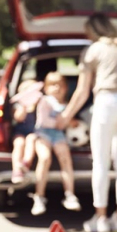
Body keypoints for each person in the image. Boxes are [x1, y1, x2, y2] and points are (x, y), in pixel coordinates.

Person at [56, 13, 117, 232]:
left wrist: (66, 115)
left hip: (107, 102)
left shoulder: (93, 50)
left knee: (101, 163)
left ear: (93, 30)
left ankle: (101, 218)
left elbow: (83, 91)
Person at [29, 71, 82, 216]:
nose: (57, 88)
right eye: (53, 85)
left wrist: (71, 122)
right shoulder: (45, 101)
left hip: (58, 135)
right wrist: (61, 122)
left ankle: (70, 195)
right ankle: (39, 196)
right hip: (42, 134)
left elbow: (69, 122)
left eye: (60, 85)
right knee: (45, 158)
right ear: (46, 88)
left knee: (65, 158)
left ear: (66, 88)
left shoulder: (66, 105)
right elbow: (45, 121)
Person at [9, 79, 42, 184]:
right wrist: (24, 105)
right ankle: (17, 170)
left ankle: (26, 163)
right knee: (19, 143)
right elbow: (18, 118)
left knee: (31, 140)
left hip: (34, 132)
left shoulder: (40, 104)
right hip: (20, 132)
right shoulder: (19, 105)